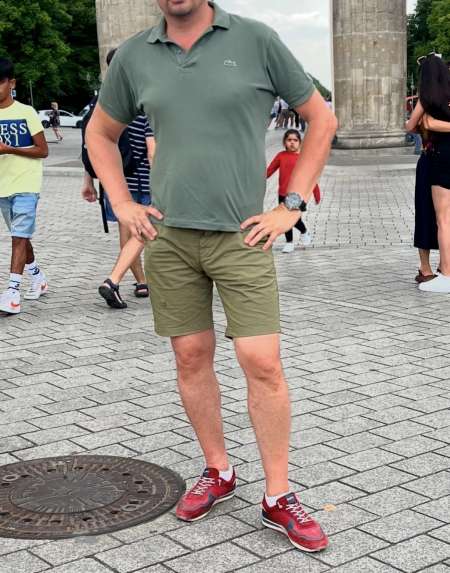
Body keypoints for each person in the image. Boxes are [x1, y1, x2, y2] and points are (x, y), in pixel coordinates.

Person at [86, 0, 337, 553]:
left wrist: (291, 205)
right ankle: (218, 470)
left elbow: (321, 118)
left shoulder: (256, 39)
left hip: (243, 236)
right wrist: (122, 201)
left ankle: (278, 496)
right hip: (170, 238)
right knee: (190, 357)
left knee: (262, 361)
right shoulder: (134, 55)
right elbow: (99, 133)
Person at [81, 48, 155, 309]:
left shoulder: (103, 104)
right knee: (148, 229)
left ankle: (139, 280)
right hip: (144, 180)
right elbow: (152, 150)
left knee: (129, 231)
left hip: (116, 181)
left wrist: (89, 180)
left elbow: (93, 145)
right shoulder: (145, 101)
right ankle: (123, 280)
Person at [0, 58, 49, 315]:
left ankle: (12, 294)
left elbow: (43, 150)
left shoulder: (26, 112)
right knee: (21, 236)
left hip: (26, 183)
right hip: (2, 185)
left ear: (12, 83)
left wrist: (10, 149)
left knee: (18, 237)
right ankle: (37, 276)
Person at [406, 54, 450, 293]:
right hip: (441, 156)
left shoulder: (427, 98)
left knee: (428, 212)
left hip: (433, 156)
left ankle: (430, 268)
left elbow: (410, 125)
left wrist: (427, 125)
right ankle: (443, 268)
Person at [267, 129, 321, 253]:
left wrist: (316, 194)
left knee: (293, 219)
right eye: (289, 140)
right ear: (284, 142)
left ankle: (303, 232)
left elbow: (311, 177)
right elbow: (269, 170)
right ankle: (289, 242)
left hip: (297, 195)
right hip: (282, 194)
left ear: (299, 143)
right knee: (285, 219)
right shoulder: (281, 156)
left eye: (295, 140)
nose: (292, 143)